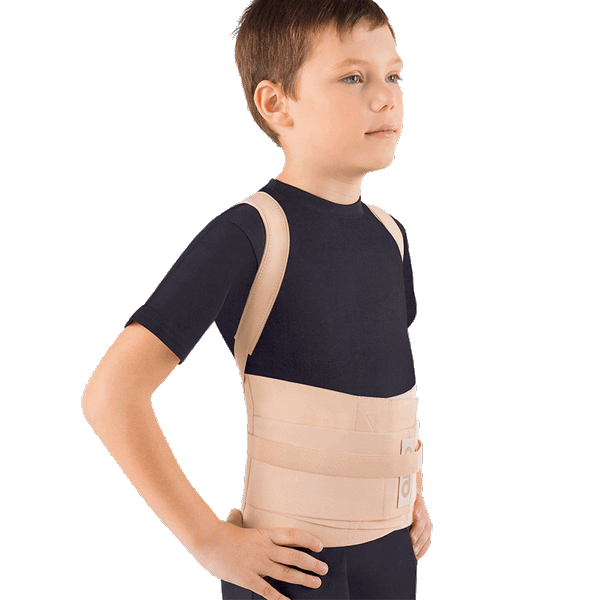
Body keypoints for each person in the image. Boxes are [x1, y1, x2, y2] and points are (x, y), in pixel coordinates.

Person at [81, 0, 433, 598]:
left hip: (394, 553)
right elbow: (111, 394)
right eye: (353, 77)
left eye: (394, 75)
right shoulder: (250, 234)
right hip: (289, 568)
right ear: (275, 103)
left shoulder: (390, 236)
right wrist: (208, 542)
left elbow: (376, 385)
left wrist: (410, 490)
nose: (386, 98)